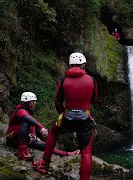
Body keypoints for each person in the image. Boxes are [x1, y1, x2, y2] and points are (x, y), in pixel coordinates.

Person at [32, 52, 98, 180]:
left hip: (68, 117)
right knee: (86, 152)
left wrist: (62, 113)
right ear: (83, 65)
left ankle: (44, 164)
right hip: (85, 118)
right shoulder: (92, 80)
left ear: (70, 64)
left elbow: (57, 100)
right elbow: (94, 99)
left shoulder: (63, 81)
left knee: (53, 132)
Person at [5, 92, 80, 161]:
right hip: (12, 138)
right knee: (26, 122)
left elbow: (31, 130)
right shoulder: (20, 111)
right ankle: (22, 151)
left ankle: (67, 154)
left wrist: (37, 139)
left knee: (46, 146)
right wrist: (42, 128)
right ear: (30, 102)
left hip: (23, 139)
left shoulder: (28, 114)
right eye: (34, 102)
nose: (35, 104)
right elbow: (27, 118)